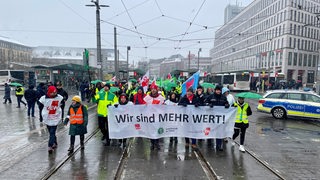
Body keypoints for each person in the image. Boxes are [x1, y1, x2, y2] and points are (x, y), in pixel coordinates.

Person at [38, 86, 64, 153]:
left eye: (55, 92)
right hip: (47, 118)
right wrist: (42, 116)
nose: (54, 93)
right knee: (51, 132)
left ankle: (50, 146)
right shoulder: (43, 98)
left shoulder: (59, 98)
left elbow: (62, 105)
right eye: (53, 92)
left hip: (55, 117)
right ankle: (54, 142)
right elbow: (40, 107)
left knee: (52, 132)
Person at [205, 85, 230, 151]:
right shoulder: (211, 96)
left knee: (219, 131)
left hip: (220, 118)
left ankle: (219, 145)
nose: (218, 91)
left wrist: (227, 105)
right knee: (210, 130)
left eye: (219, 90)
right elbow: (205, 102)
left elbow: (227, 103)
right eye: (217, 90)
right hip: (211, 117)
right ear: (215, 90)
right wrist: (208, 104)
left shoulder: (223, 97)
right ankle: (209, 141)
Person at [143, 83, 165, 150]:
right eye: (152, 89)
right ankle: (152, 143)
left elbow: (164, 107)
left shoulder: (161, 98)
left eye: (154, 89)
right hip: (150, 117)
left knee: (157, 130)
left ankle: (157, 143)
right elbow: (143, 106)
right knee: (151, 130)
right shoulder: (147, 98)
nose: (153, 90)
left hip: (158, 117)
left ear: (157, 90)